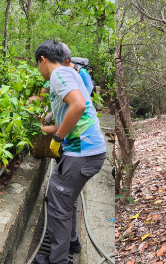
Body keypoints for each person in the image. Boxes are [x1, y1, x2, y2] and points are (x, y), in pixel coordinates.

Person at [33, 40, 106, 264]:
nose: (39, 70)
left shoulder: (58, 75)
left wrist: (57, 138)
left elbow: (78, 107)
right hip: (90, 152)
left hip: (82, 154)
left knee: (57, 202)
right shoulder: (70, 73)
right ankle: (72, 242)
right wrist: (40, 128)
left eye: (38, 65)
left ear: (43, 60)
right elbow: (66, 120)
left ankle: (58, 260)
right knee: (66, 200)